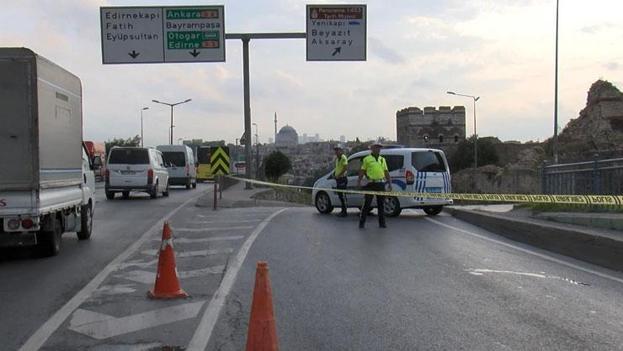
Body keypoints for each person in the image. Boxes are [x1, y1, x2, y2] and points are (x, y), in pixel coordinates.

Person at [357, 143, 392, 228]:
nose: (378, 149)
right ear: (372, 149)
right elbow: (362, 170)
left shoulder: (382, 159)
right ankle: (362, 223)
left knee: (381, 205)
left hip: (380, 183)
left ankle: (382, 223)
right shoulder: (367, 159)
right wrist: (359, 181)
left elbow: (386, 171)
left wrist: (389, 182)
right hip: (371, 183)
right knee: (367, 204)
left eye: (379, 148)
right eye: (376, 148)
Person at [333, 144, 348, 217]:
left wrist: (339, 175)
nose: (336, 152)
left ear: (341, 151)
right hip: (338, 179)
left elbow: (345, 168)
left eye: (337, 150)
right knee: (340, 195)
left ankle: (344, 211)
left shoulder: (343, 157)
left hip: (342, 179)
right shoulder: (337, 159)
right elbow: (337, 168)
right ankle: (343, 210)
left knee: (342, 195)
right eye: (335, 150)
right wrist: (335, 174)